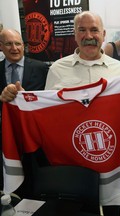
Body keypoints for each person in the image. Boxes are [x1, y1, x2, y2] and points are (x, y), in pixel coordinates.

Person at [0, 11, 120, 216]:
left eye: (94, 30)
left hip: (111, 159)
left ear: (102, 34)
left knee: (113, 208)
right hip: (74, 164)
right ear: (74, 35)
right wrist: (21, 101)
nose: (88, 35)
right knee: (80, 210)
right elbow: (46, 115)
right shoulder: (58, 69)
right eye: (82, 30)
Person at [0, 28, 49, 196]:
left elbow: (48, 102)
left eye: (18, 43)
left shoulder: (41, 68)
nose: (14, 48)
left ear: (24, 45)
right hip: (6, 138)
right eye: (8, 44)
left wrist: (27, 100)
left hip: (36, 138)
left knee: (37, 181)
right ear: (1, 46)